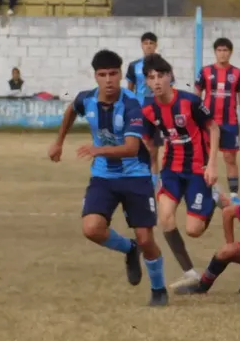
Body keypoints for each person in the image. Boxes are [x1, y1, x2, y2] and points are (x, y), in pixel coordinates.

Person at [48, 49, 168, 306]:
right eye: (102, 75)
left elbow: (131, 148)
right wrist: (58, 142)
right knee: (91, 229)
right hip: (103, 176)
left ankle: (159, 289)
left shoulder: (132, 104)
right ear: (95, 77)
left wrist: (97, 149)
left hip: (136, 175)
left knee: (147, 239)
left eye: (113, 73)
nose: (109, 80)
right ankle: (128, 249)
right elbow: (71, 110)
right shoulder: (86, 99)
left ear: (120, 74)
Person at [140, 54, 220, 289]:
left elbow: (213, 128)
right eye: (151, 77)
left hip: (197, 169)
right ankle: (190, 273)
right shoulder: (148, 110)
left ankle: (214, 196)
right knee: (164, 218)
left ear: (170, 77)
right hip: (171, 170)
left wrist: (213, 164)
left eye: (160, 76)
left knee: (193, 230)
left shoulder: (189, 102)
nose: (156, 82)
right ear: (146, 81)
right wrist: (152, 177)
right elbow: (151, 147)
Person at [194, 37, 240, 206]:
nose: (222, 54)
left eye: (225, 50)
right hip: (208, 122)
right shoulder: (205, 72)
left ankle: (233, 195)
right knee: (204, 157)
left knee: (230, 158)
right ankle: (208, 191)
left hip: (229, 123)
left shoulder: (237, 73)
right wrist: (194, 117)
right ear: (215, 52)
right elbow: (196, 95)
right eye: (219, 50)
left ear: (230, 53)